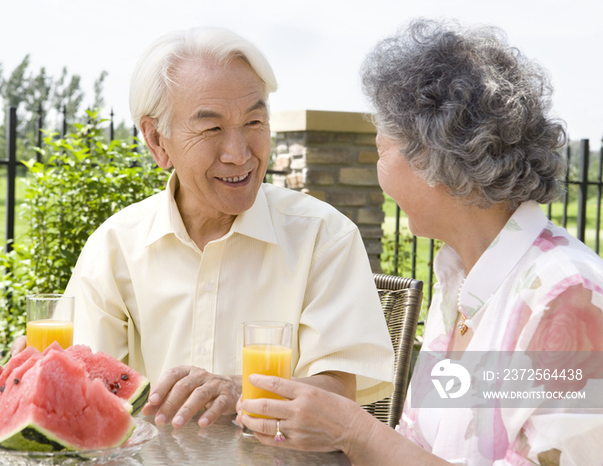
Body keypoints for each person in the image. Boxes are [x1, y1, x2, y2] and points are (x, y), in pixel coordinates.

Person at [238, 18, 603, 466]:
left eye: (380, 151)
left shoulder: (568, 294)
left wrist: (354, 431)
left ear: (429, 154)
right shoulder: (462, 283)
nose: (379, 173)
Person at [13, 27, 394, 430]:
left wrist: (242, 391)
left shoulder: (324, 237)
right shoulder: (115, 245)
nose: (239, 153)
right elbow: (83, 384)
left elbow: (338, 393)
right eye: (211, 129)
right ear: (157, 141)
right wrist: (38, 376)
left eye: (254, 121)